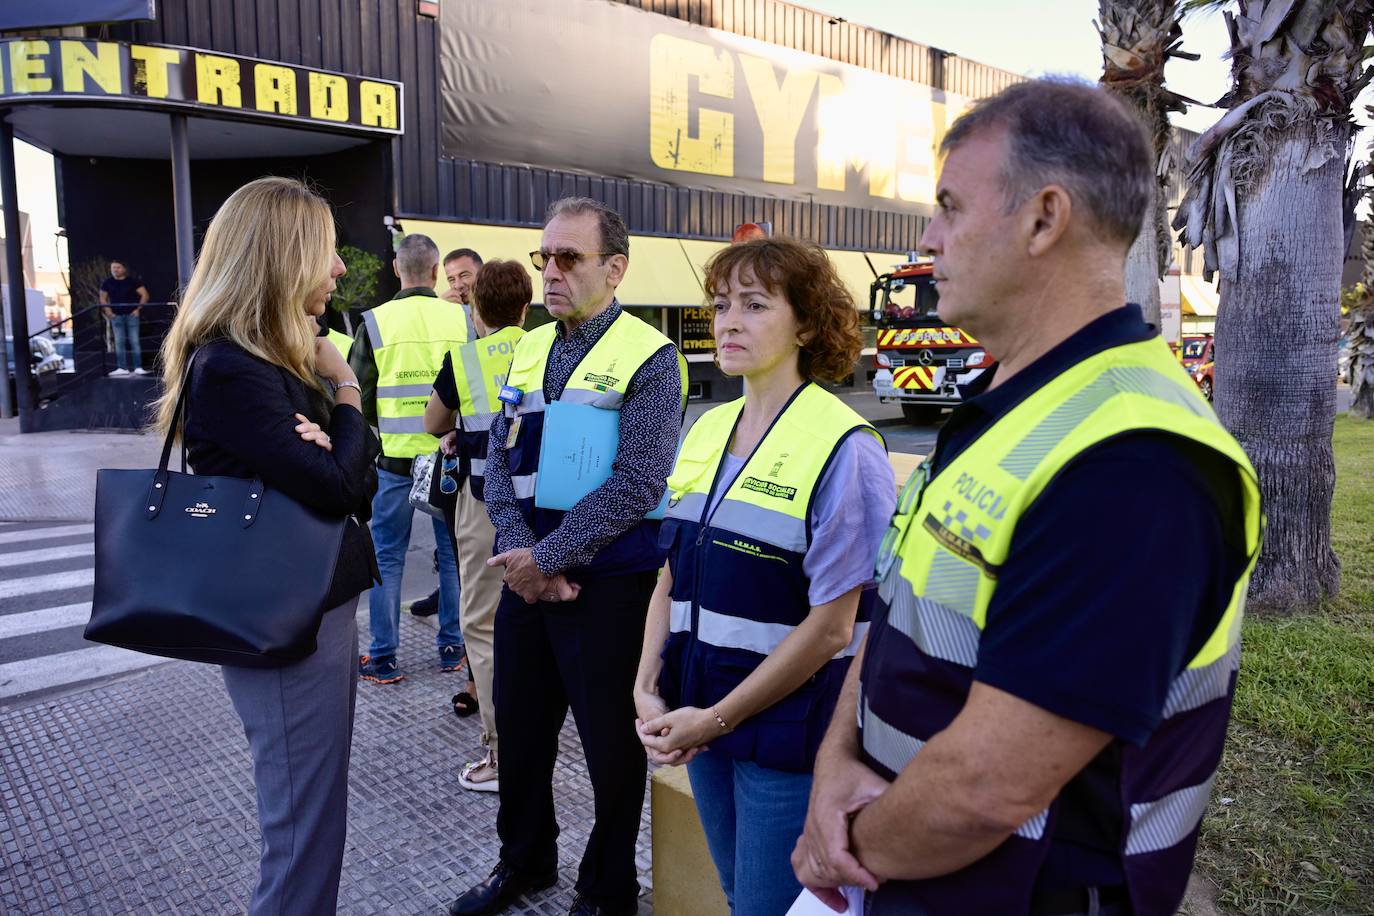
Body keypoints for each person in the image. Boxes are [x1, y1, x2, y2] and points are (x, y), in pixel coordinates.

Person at [791, 79, 1263, 916]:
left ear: (1045, 218)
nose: (929, 239)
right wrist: (835, 764)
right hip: (905, 870)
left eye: (948, 208)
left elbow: (986, 789)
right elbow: (899, 604)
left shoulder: (1136, 464)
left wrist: (840, 852)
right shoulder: (1009, 404)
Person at [633, 238, 895, 916]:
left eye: (754, 305)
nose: (728, 323)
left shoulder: (847, 448)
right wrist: (645, 687)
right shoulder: (706, 429)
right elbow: (671, 576)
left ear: (806, 323)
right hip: (703, 718)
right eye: (721, 306)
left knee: (767, 907)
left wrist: (714, 718)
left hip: (785, 733)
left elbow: (833, 627)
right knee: (734, 892)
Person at [447, 197, 686, 916]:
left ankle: (607, 885)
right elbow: (497, 461)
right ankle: (524, 860)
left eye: (568, 258)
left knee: (611, 748)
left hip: (609, 586)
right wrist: (524, 553)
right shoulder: (528, 346)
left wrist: (547, 557)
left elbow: (639, 481)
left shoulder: (651, 357)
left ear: (614, 269)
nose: (549, 271)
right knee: (520, 733)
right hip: (528, 578)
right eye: (542, 257)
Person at [152, 176, 379, 914]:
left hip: (308, 610)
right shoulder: (234, 369)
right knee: (303, 834)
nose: (340, 270)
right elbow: (341, 484)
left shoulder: (272, 364)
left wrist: (332, 449)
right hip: (284, 622)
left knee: (314, 821)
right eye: (326, 253)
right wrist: (345, 394)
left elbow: (347, 480)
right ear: (281, 260)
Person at [424, 259, 532, 793]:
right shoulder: (547, 350)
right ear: (525, 307)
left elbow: (431, 421)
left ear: (474, 307)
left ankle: (500, 753)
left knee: (483, 626)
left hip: (486, 503)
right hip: (547, 508)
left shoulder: (465, 360)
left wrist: (460, 433)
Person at [350, 233, 469, 684]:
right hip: (449, 461)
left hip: (396, 465)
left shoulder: (375, 322)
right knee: (451, 555)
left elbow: (357, 397)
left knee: (387, 558)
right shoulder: (460, 318)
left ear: (397, 270)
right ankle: (452, 648)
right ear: (436, 272)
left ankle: (383, 658)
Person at [100, 259, 150, 376]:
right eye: (113, 268)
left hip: (131, 315)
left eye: (117, 267)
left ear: (124, 269)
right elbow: (102, 297)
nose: (115, 270)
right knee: (119, 341)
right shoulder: (108, 282)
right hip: (116, 316)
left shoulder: (133, 281)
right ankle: (122, 367)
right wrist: (108, 311)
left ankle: (138, 367)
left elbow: (145, 295)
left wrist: (138, 309)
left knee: (134, 341)